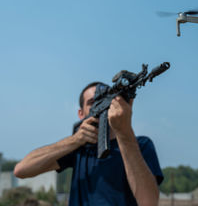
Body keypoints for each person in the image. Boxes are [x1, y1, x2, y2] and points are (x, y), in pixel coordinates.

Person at [14, 82, 163, 206]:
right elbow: (22, 170)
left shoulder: (140, 145)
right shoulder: (79, 149)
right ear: (81, 114)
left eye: (106, 100)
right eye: (92, 103)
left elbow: (149, 202)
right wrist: (75, 140)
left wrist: (124, 132)